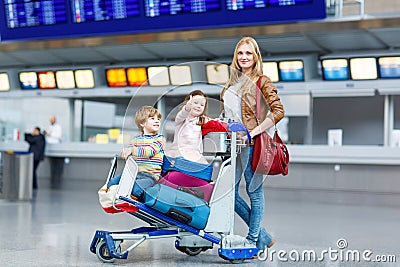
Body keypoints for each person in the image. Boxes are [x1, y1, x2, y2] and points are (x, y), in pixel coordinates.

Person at [220, 36, 285, 251]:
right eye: (240, 53)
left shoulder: (262, 81)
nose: (244, 57)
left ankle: (253, 239)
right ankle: (263, 236)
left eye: (248, 53)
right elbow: (230, 115)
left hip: (253, 145)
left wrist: (252, 133)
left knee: (254, 192)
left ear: (256, 57)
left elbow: (278, 111)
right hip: (233, 147)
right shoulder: (231, 84)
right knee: (227, 193)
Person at [107, 106, 165, 200]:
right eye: (152, 118)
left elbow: (149, 151)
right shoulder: (135, 140)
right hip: (133, 174)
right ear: (142, 123)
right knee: (111, 184)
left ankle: (130, 199)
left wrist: (131, 150)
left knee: (135, 189)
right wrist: (126, 153)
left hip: (150, 176)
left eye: (158, 119)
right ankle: (114, 198)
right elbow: (130, 154)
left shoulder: (159, 139)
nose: (157, 121)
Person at [167, 90, 209, 164]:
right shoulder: (181, 119)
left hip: (194, 154)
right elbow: (182, 114)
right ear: (188, 103)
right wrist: (187, 108)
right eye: (195, 103)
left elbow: (215, 123)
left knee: (206, 168)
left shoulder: (202, 120)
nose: (198, 106)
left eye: (202, 105)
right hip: (178, 153)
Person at [44, 115, 64, 189]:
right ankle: (53, 182)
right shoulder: (50, 127)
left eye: (52, 120)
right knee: (52, 167)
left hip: (56, 148)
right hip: (50, 148)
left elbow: (58, 136)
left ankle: (57, 182)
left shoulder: (58, 127)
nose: (51, 121)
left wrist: (50, 134)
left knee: (57, 167)